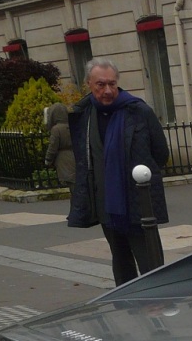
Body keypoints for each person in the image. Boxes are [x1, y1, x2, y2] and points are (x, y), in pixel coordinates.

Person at [67, 58, 170, 286]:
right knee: (121, 261)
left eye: (112, 84)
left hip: (137, 201)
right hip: (106, 204)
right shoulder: (83, 114)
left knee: (149, 260)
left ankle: (158, 305)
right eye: (100, 85)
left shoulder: (138, 110)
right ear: (89, 84)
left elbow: (160, 152)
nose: (107, 90)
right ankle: (127, 309)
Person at [43, 103, 75, 187]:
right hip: (75, 156)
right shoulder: (72, 126)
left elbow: (53, 146)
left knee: (70, 184)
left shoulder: (56, 129)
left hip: (63, 160)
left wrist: (48, 159)